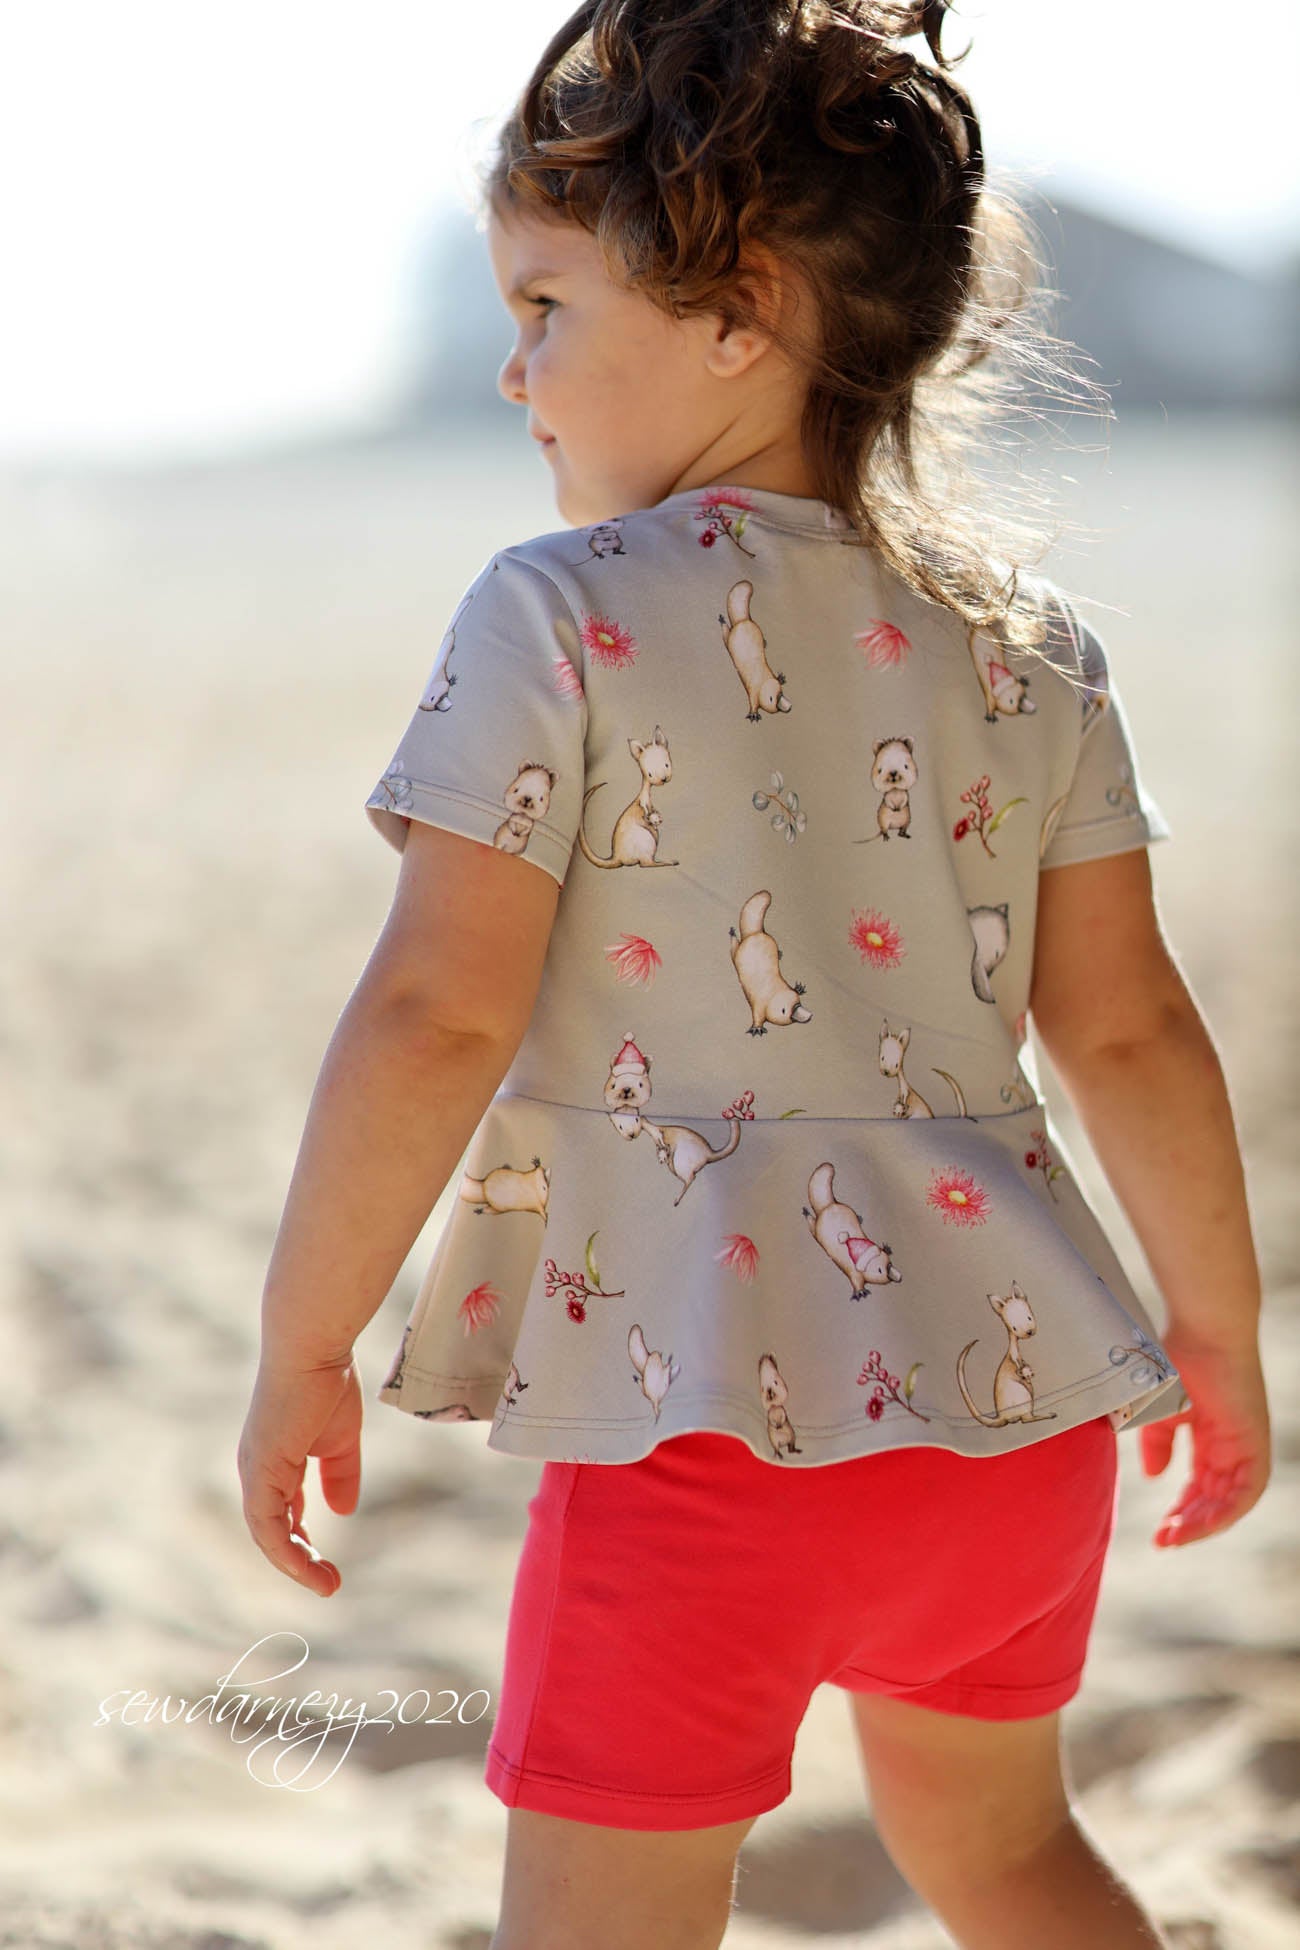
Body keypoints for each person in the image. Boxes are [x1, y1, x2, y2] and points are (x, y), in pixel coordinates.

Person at [237, 4, 1272, 1946]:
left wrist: (307, 1341)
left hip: (694, 1422)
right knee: (1003, 1852)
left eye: (545, 306)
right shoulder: (1023, 643)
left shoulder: (555, 612)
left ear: (740, 308)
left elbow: (436, 1013)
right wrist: (1213, 1332)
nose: (511, 368)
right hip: (1013, 1411)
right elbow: (1129, 1026)